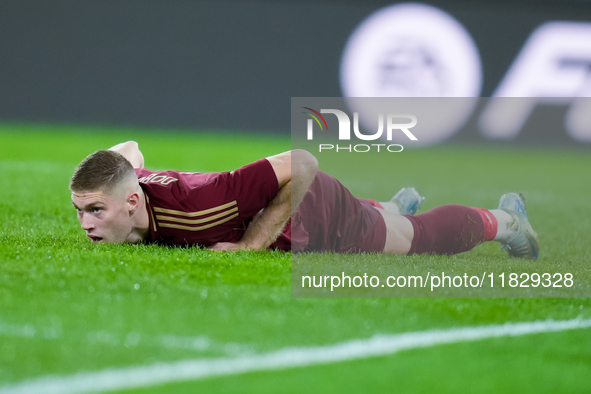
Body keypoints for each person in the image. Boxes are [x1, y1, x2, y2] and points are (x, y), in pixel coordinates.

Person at [69, 141, 539, 259]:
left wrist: (253, 245)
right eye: (81, 211)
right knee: (389, 221)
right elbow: (127, 151)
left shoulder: (202, 200)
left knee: (416, 240)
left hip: (314, 209)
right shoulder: (134, 188)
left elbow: (304, 162)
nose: (85, 224)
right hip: (300, 207)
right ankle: (389, 205)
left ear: (132, 202)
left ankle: (506, 221)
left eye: (95, 210)